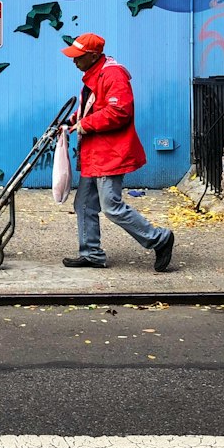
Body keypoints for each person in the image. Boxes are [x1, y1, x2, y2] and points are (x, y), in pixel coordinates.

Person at [60, 32, 174, 272]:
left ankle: (158, 238)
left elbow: (119, 111)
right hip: (96, 153)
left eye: (78, 57)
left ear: (92, 55)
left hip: (110, 153)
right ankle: (91, 253)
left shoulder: (113, 74)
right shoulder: (93, 74)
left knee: (111, 205)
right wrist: (73, 121)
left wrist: (85, 124)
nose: (74, 61)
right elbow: (93, 108)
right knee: (84, 204)